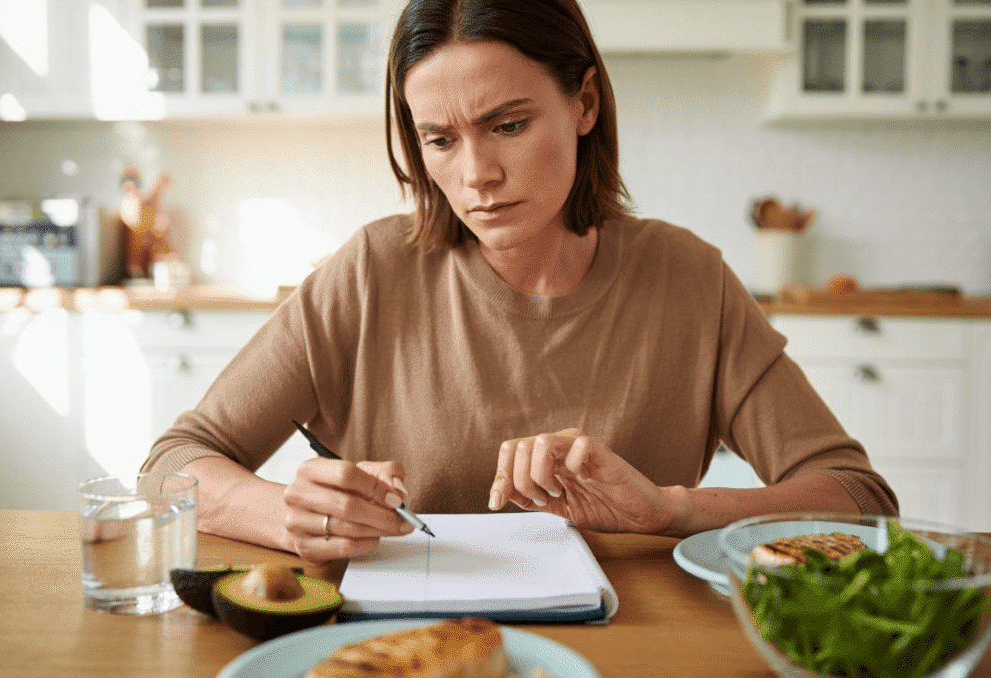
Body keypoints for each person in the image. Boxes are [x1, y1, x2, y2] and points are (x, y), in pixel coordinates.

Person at [141, 0, 898, 565]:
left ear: (584, 104)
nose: (477, 175)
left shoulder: (688, 279)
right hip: (405, 652)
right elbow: (172, 464)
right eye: (440, 139)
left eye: (507, 126)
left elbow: (859, 499)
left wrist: (668, 509)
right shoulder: (371, 271)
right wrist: (287, 515)